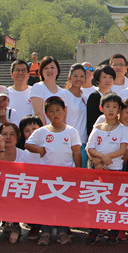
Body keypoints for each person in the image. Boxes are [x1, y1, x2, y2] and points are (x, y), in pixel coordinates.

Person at [25, 96, 81, 245]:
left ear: (65, 111)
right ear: (46, 114)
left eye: (58, 110)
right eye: (51, 111)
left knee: (64, 204)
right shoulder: (42, 132)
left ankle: (63, 232)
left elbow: (76, 152)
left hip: (66, 176)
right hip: (47, 177)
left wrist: (79, 172)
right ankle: (46, 232)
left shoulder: (71, 131)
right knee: (47, 204)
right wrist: (40, 150)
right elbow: (28, 144)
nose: (55, 114)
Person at [84, 93, 128, 245]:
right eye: (108, 106)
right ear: (101, 108)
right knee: (96, 200)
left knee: (114, 200)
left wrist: (105, 157)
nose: (111, 110)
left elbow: (122, 150)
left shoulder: (123, 129)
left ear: (119, 109)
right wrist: (98, 162)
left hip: (115, 170)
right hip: (98, 170)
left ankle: (113, 231)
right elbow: (89, 148)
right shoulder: (97, 128)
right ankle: (95, 230)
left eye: (114, 107)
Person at [0, 123, 39, 242]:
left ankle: (16, 224)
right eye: (4, 134)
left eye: (12, 134)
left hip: (20, 192)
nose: (8, 137)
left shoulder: (25, 155)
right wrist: (1, 149)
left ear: (17, 137)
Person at [61, 63, 89, 163]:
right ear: (69, 77)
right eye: (75, 76)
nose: (79, 79)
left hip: (82, 141)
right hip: (67, 142)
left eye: (82, 76)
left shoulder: (84, 97)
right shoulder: (64, 94)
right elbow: (61, 119)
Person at [85, 65, 116, 137]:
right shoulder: (94, 97)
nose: (108, 80)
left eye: (110, 77)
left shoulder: (113, 97)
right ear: (97, 80)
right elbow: (91, 121)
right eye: (104, 77)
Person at [30, 56, 63, 123]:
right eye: (46, 68)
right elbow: (38, 113)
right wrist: (47, 129)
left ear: (57, 70)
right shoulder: (38, 87)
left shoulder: (62, 91)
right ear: (41, 71)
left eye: (52, 67)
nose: (49, 71)